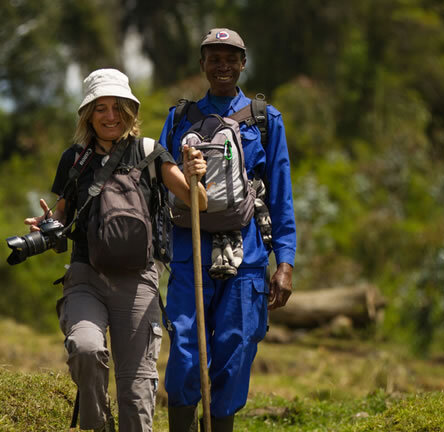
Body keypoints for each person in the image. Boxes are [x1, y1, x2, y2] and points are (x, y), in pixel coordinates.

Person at [24, 68, 207, 432]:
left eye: (117, 107)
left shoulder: (151, 152)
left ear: (129, 111)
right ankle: (100, 424)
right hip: (86, 276)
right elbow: (60, 218)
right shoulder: (74, 159)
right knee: (86, 349)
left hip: (138, 281)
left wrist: (195, 174)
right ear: (88, 114)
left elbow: (197, 203)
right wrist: (46, 226)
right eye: (101, 108)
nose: (110, 116)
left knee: (137, 393)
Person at [159, 28, 296, 431]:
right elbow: (160, 182)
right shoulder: (180, 117)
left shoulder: (265, 120)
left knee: (235, 352)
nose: (222, 66)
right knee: (185, 351)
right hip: (189, 254)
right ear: (202, 64)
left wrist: (284, 261)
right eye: (213, 58)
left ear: (242, 63)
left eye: (230, 58)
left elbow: (281, 192)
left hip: (248, 256)